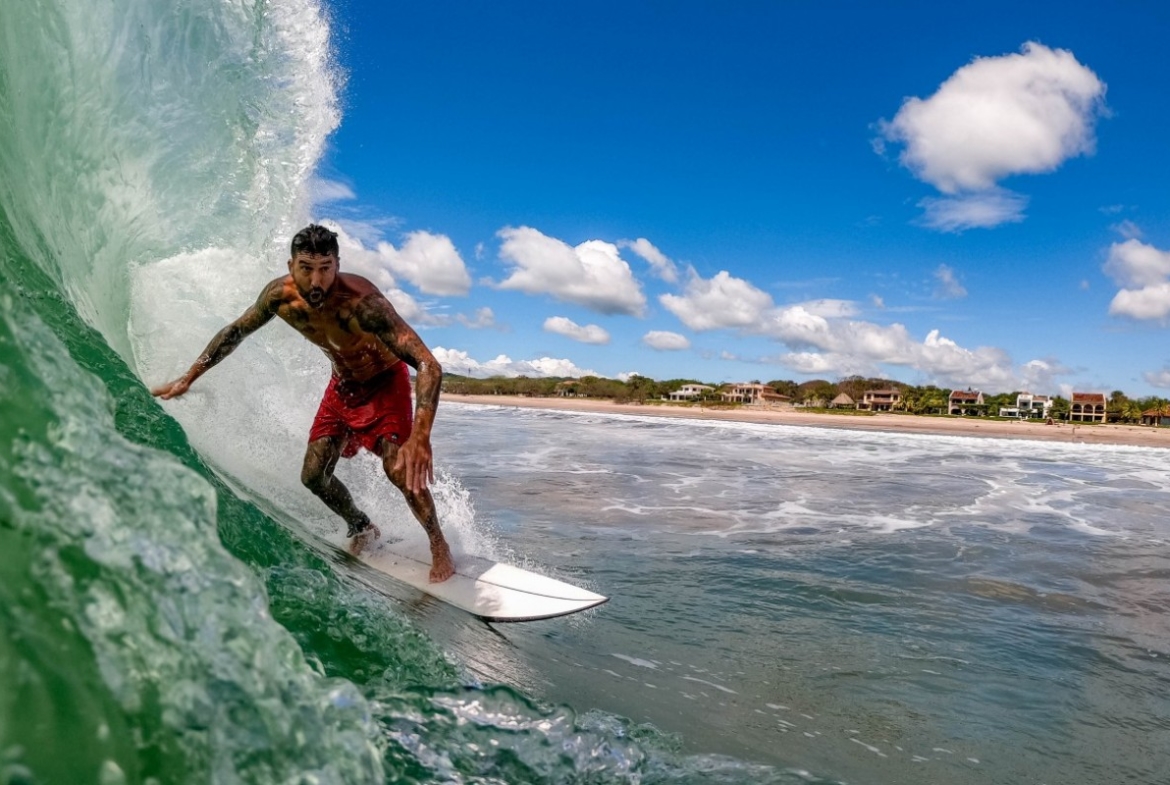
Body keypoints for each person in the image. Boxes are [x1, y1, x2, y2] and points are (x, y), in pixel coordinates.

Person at [151, 224, 456, 582]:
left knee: (399, 468)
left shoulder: (363, 303)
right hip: (342, 386)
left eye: (325, 268)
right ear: (291, 264)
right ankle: (362, 526)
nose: (316, 280)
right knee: (313, 476)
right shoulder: (279, 298)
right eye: (306, 268)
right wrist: (189, 376)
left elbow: (428, 364)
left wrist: (420, 437)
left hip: (384, 383)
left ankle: (439, 544)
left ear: (337, 266)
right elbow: (234, 332)